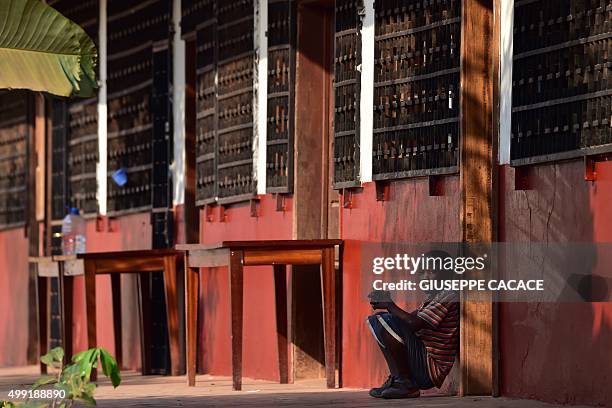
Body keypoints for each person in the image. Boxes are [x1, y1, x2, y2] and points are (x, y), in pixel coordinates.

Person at [366, 250, 459, 399]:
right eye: (422, 272)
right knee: (379, 321)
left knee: (386, 321)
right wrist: (386, 303)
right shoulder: (433, 298)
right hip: (421, 364)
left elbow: (414, 324)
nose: (426, 277)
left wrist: (390, 305)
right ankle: (398, 379)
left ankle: (405, 384)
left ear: (446, 274)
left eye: (432, 272)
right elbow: (408, 320)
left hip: (430, 368)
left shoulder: (448, 296)